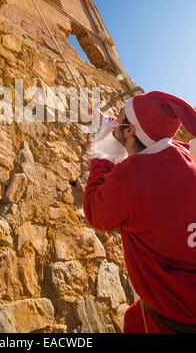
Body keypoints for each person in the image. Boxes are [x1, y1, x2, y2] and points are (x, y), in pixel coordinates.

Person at [84, 91, 196, 333]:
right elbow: (147, 151)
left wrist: (103, 151)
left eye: (121, 118)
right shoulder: (184, 153)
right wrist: (115, 127)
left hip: (171, 318)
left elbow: (95, 211)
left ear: (130, 131)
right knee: (133, 317)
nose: (116, 121)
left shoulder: (132, 177)